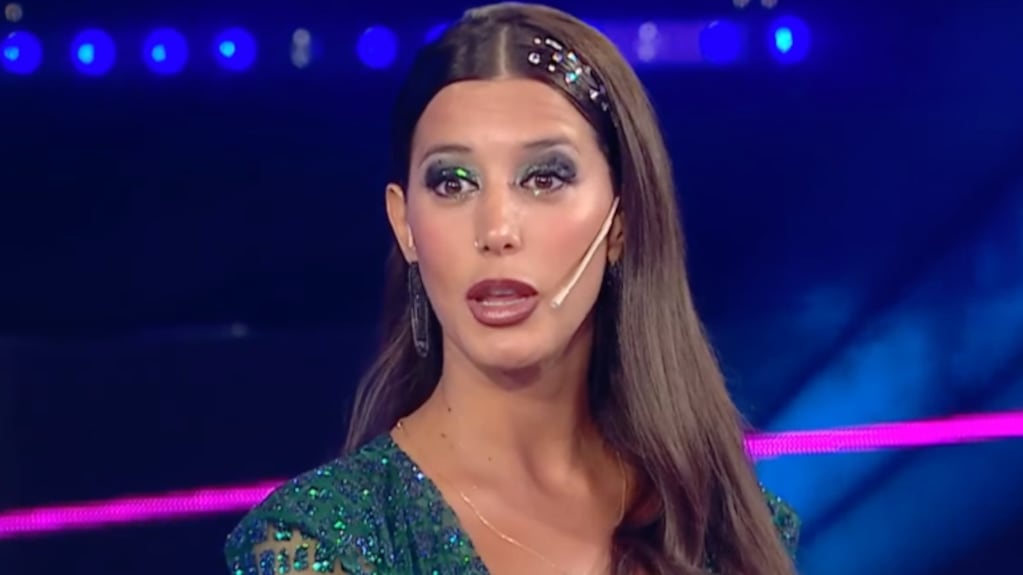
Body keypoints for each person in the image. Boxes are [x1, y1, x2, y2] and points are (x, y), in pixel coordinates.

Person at [224, 3, 799, 574]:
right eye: (453, 183)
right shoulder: (315, 542)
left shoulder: (727, 531)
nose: (497, 230)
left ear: (620, 220)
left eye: (544, 178)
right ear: (405, 225)